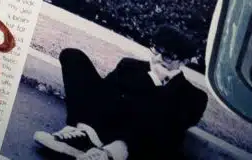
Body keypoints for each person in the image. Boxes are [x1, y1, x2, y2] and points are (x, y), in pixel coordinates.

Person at [34, 26, 207, 160]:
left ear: (183, 61)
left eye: (167, 56)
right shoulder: (130, 65)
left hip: (135, 142)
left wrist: (156, 83)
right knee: (72, 56)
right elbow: (104, 95)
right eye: (157, 50)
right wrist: (148, 78)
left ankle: (109, 153)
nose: (157, 59)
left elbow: (169, 128)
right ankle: (81, 135)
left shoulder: (195, 97)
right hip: (106, 122)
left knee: (159, 113)